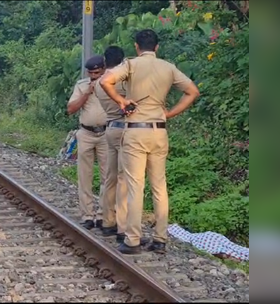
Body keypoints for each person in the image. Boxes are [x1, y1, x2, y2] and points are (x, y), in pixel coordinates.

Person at [100, 29, 200, 255]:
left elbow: (107, 80)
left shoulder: (131, 64)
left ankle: (133, 239)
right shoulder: (168, 67)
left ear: (136, 46)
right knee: (159, 186)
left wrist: (121, 100)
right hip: (159, 132)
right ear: (157, 47)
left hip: (136, 131)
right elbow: (193, 91)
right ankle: (160, 238)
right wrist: (169, 114)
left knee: (136, 186)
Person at [67, 55, 108, 230]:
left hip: (106, 133)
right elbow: (70, 109)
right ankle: (87, 214)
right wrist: (87, 93)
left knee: (108, 176)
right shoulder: (82, 85)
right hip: (86, 132)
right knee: (85, 175)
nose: (94, 76)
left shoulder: (111, 83)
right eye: (91, 73)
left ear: (104, 70)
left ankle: (103, 215)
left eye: (97, 73)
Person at [94, 46, 128, 243]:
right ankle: (123, 227)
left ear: (105, 62)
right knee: (124, 178)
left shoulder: (99, 83)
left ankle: (107, 221)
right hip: (124, 129)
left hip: (109, 128)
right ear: (122, 62)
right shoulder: (121, 82)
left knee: (110, 177)